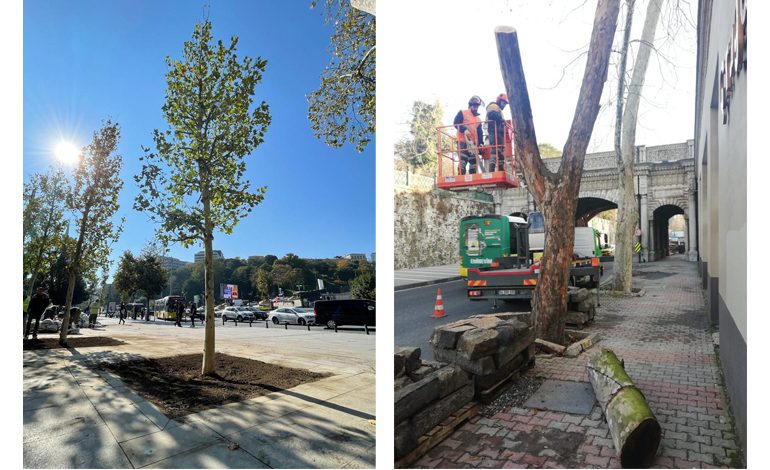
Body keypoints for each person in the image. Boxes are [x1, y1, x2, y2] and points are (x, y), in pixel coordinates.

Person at [453, 95, 484, 175]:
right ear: (470, 105)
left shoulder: (478, 120)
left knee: (473, 164)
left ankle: (472, 181)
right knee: (463, 161)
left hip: (473, 144)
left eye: (477, 106)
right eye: (474, 105)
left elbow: (480, 133)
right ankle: (460, 180)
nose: (475, 107)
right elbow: (456, 123)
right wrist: (464, 130)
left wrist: (481, 144)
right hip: (463, 141)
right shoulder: (463, 113)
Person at [486, 93, 509, 172]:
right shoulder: (493, 106)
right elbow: (491, 114)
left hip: (499, 133)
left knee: (500, 151)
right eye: (504, 103)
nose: (504, 105)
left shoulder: (498, 109)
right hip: (493, 131)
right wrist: (501, 120)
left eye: (505, 104)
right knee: (494, 150)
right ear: (499, 100)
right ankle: (491, 170)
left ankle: (501, 169)